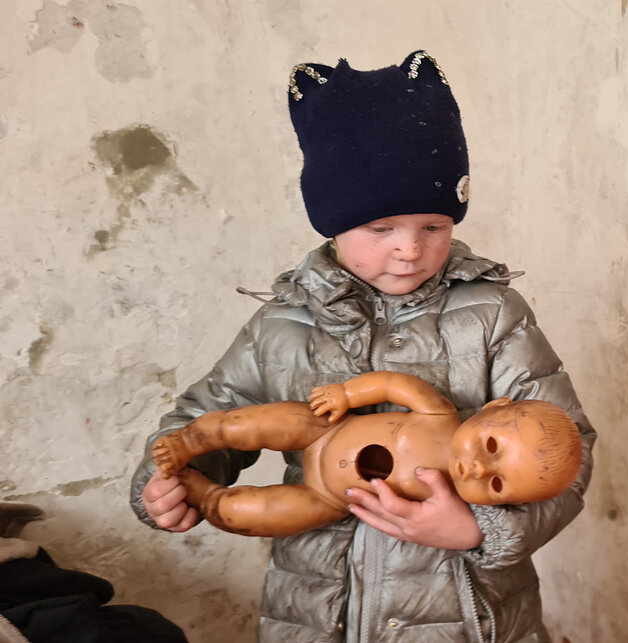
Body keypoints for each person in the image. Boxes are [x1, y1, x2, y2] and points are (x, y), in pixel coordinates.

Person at [128, 51, 596, 643]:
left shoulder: (492, 314)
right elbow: (210, 413)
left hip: (465, 615)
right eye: (380, 229)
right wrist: (169, 481)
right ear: (332, 222)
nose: (410, 249)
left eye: (433, 227)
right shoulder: (281, 324)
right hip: (318, 611)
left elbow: (569, 448)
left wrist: (478, 530)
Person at [151, 370, 583, 538]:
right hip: (323, 428)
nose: (476, 468)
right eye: (490, 446)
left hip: (328, 499)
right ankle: (189, 443)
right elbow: (395, 385)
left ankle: (198, 492)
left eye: (497, 484)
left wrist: (469, 531)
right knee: (243, 424)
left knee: (246, 514)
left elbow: (515, 527)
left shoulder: (449, 503)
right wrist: (346, 394)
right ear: (494, 408)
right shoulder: (439, 415)